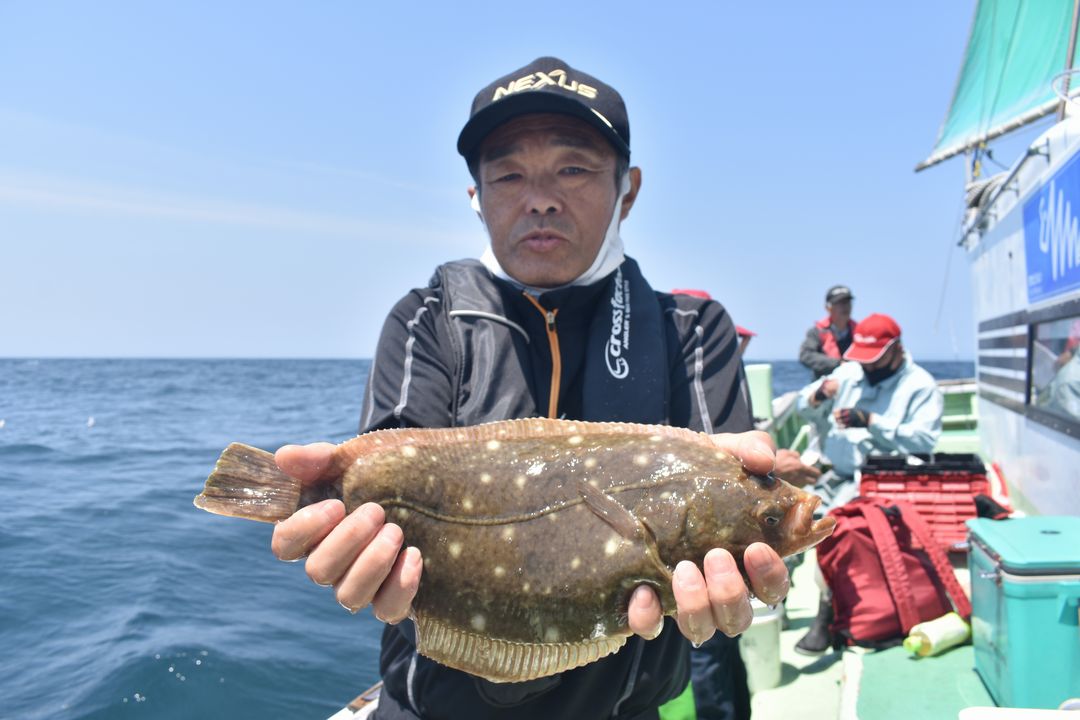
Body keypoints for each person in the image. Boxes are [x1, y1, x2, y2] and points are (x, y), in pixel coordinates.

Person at [267, 57, 790, 720]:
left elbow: (726, 513)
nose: (539, 198)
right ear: (476, 197)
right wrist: (345, 526)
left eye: (573, 168)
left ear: (627, 190)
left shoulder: (691, 330)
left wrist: (758, 553)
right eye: (508, 174)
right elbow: (384, 465)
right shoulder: (427, 319)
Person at [776, 312, 943, 654]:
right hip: (829, 472)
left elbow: (924, 442)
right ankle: (774, 597)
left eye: (874, 359)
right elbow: (803, 407)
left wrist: (871, 422)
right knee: (780, 523)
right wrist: (819, 394)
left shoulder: (921, 386)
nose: (865, 367)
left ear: (895, 350)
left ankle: (826, 614)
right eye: (862, 359)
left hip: (875, 482)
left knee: (834, 537)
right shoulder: (851, 371)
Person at [799, 285, 857, 379]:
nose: (845, 306)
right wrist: (838, 364)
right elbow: (806, 355)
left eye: (848, 302)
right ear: (828, 308)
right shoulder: (817, 332)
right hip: (825, 386)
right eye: (840, 303)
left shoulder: (860, 332)